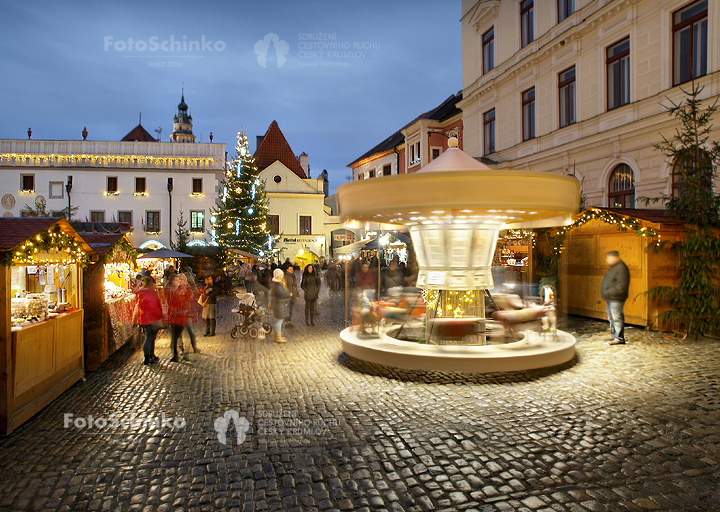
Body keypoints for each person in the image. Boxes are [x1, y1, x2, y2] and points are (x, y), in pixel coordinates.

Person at [600, 250, 630, 345]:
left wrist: (609, 292)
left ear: (615, 257)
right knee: (612, 318)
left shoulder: (621, 268)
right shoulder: (615, 268)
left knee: (617, 317)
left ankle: (619, 337)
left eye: (608, 257)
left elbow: (621, 285)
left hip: (616, 298)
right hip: (611, 297)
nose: (607, 260)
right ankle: (614, 335)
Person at [133, 276, 164, 365]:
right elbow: (154, 307)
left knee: (150, 337)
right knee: (149, 338)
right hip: (151, 319)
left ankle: (151, 355)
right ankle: (148, 357)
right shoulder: (150, 294)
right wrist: (160, 316)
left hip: (144, 318)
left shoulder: (141, 293)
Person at [164, 273, 190, 362]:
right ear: (172, 281)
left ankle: (179, 353)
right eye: (176, 280)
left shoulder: (178, 290)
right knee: (176, 336)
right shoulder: (172, 291)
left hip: (179, 315)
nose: (178, 282)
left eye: (179, 280)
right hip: (175, 315)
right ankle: (178, 353)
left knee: (176, 336)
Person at [271, 268, 290, 343]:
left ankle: (278, 337)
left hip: (279, 304)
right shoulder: (277, 284)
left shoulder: (278, 283)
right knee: (278, 322)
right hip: (279, 305)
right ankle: (277, 337)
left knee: (278, 321)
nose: (281, 277)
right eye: (280, 275)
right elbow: (281, 294)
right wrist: (289, 294)